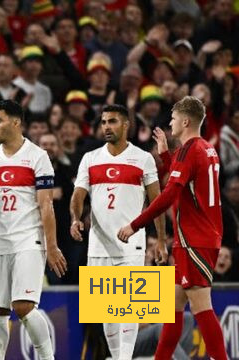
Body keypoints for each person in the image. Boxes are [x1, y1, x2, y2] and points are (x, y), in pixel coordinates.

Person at [118, 96, 228, 360]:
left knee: (202, 305)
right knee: (174, 306)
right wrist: (166, 154)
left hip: (195, 238)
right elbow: (184, 177)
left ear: (186, 121)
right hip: (195, 237)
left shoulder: (191, 150)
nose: (170, 123)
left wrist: (135, 225)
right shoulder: (204, 149)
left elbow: (169, 194)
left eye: (173, 119)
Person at [69, 104, 166, 360]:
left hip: (132, 243)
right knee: (106, 311)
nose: (106, 127)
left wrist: (162, 241)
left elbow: (157, 202)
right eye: (103, 122)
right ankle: (119, 357)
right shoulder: (90, 158)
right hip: (99, 244)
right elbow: (78, 195)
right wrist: (75, 219)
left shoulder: (143, 158)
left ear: (126, 125)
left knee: (130, 307)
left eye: (112, 121)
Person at [0, 100, 66, 360]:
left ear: (16, 122)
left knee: (23, 306)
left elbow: (46, 205)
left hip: (29, 239)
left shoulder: (37, 156)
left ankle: (47, 357)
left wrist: (52, 246)